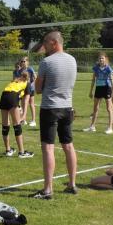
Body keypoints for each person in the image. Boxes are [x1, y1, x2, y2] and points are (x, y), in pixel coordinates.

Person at [30, 31, 78, 199]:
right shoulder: (72, 60)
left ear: (54, 43)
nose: (43, 45)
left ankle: (48, 189)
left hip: (50, 109)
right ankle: (72, 184)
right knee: (68, 146)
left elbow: (37, 89)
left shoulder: (47, 62)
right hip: (67, 107)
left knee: (48, 148)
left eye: (46, 42)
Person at [0, 71, 34, 158]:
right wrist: (24, 115)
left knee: (5, 125)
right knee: (17, 125)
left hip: (4, 95)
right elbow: (26, 101)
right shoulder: (27, 83)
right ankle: (22, 152)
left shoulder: (15, 80)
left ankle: (8, 150)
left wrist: (19, 107)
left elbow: (18, 96)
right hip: (12, 96)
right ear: (29, 78)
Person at [83, 53, 113, 134]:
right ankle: (92, 127)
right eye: (100, 58)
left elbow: (112, 82)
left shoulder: (108, 68)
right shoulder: (96, 68)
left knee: (109, 108)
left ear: (105, 59)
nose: (101, 60)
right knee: (95, 108)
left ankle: (110, 128)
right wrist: (91, 91)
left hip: (107, 88)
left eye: (102, 58)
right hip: (98, 88)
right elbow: (93, 80)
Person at [15, 56, 37, 127]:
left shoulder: (30, 69)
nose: (23, 63)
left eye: (24, 61)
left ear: (27, 62)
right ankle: (23, 120)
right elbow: (18, 79)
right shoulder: (20, 70)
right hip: (23, 89)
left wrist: (31, 84)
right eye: (21, 61)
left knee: (31, 103)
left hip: (31, 89)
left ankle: (33, 121)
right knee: (23, 104)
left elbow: (35, 77)